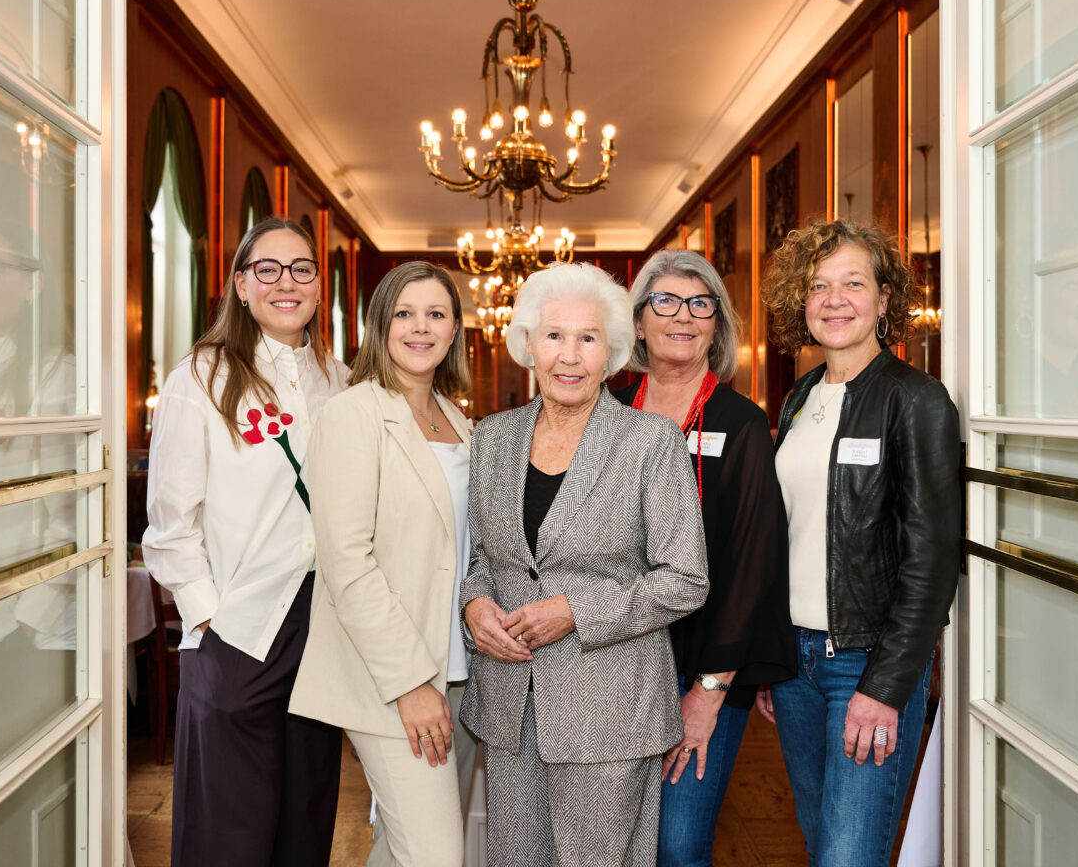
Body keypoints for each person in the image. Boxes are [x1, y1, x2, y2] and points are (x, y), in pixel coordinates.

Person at [458, 262, 710, 867]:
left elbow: (685, 579)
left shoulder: (650, 441)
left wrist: (576, 611)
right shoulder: (492, 438)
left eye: (587, 338)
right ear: (528, 344)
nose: (569, 356)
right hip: (511, 706)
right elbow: (482, 558)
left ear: (612, 352)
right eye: (554, 336)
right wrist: (475, 605)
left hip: (609, 709)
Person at [142, 217, 346, 867]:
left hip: (323, 624)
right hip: (237, 626)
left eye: (301, 269)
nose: (286, 282)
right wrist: (209, 617)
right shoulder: (199, 377)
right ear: (240, 283)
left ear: (319, 284)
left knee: (305, 818)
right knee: (226, 833)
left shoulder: (340, 380)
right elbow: (170, 521)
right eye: (268, 269)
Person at [757, 219, 961, 867]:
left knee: (849, 856)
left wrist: (887, 685)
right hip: (794, 662)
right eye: (819, 286)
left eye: (853, 283)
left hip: (866, 662)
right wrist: (769, 656)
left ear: (884, 297)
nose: (835, 300)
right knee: (821, 843)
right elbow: (788, 534)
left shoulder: (916, 399)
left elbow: (933, 559)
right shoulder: (800, 397)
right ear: (801, 301)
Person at [289, 261, 476, 867]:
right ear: (380, 325)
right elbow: (347, 564)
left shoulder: (457, 419)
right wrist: (410, 683)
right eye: (405, 313)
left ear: (454, 330)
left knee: (401, 851)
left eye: (436, 314)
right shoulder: (352, 414)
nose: (420, 327)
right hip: (392, 678)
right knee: (436, 857)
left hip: (459, 668)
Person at [612, 250, 795, 867]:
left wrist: (710, 690)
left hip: (703, 664)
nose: (683, 316)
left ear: (717, 326)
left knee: (677, 844)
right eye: (665, 301)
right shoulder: (606, 410)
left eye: (700, 304)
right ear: (639, 322)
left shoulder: (740, 422)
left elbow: (753, 561)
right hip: (612, 660)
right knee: (610, 836)